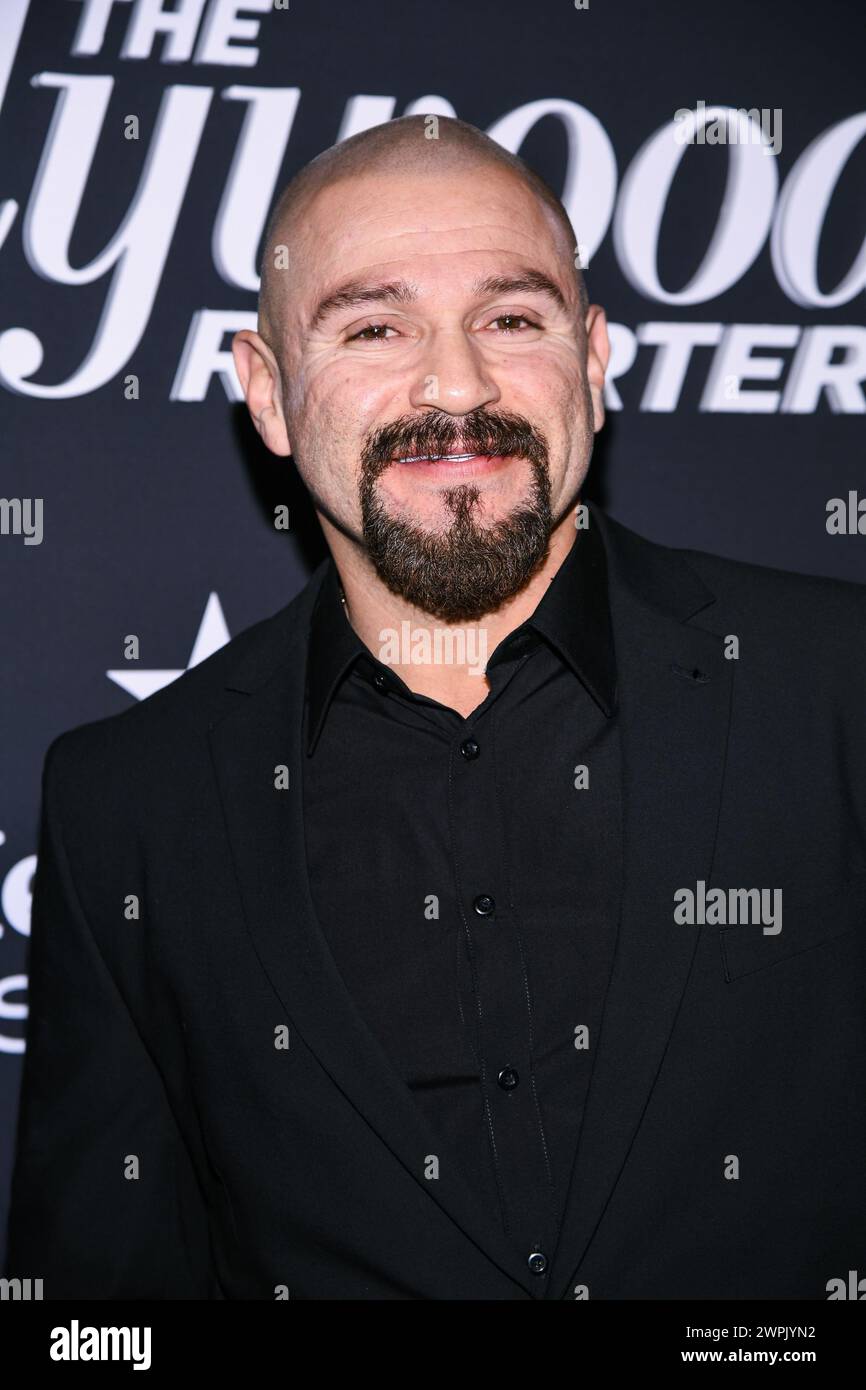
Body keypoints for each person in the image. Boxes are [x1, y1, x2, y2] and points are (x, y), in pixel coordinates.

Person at [7, 115, 866, 1300]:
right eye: (373, 326)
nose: (454, 384)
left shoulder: (836, 689)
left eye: (511, 319)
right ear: (267, 392)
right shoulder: (130, 801)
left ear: (595, 360)